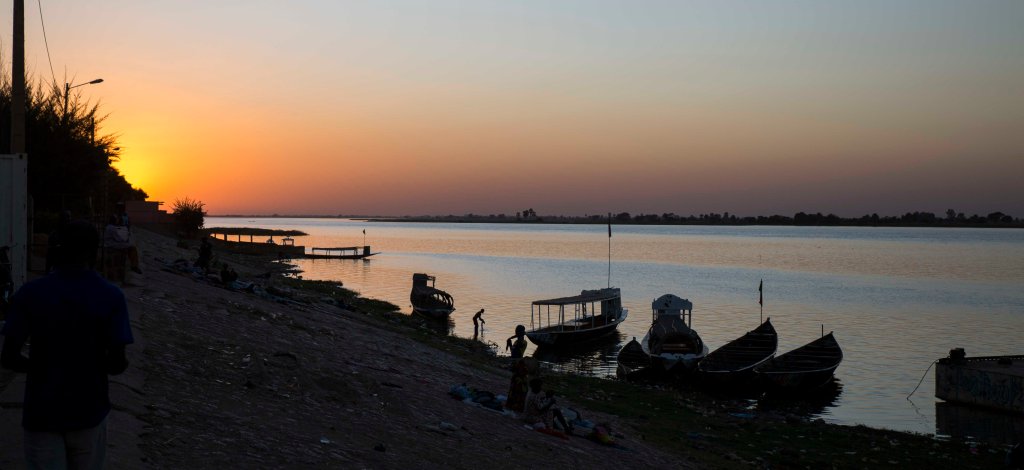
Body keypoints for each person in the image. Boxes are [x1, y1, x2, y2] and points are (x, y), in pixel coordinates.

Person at [1, 220, 134, 469]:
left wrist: (44, 367)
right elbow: (117, 364)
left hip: (42, 412)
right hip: (89, 411)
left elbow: (9, 357)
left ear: (57, 249)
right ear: (94, 252)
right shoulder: (111, 296)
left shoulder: (31, 293)